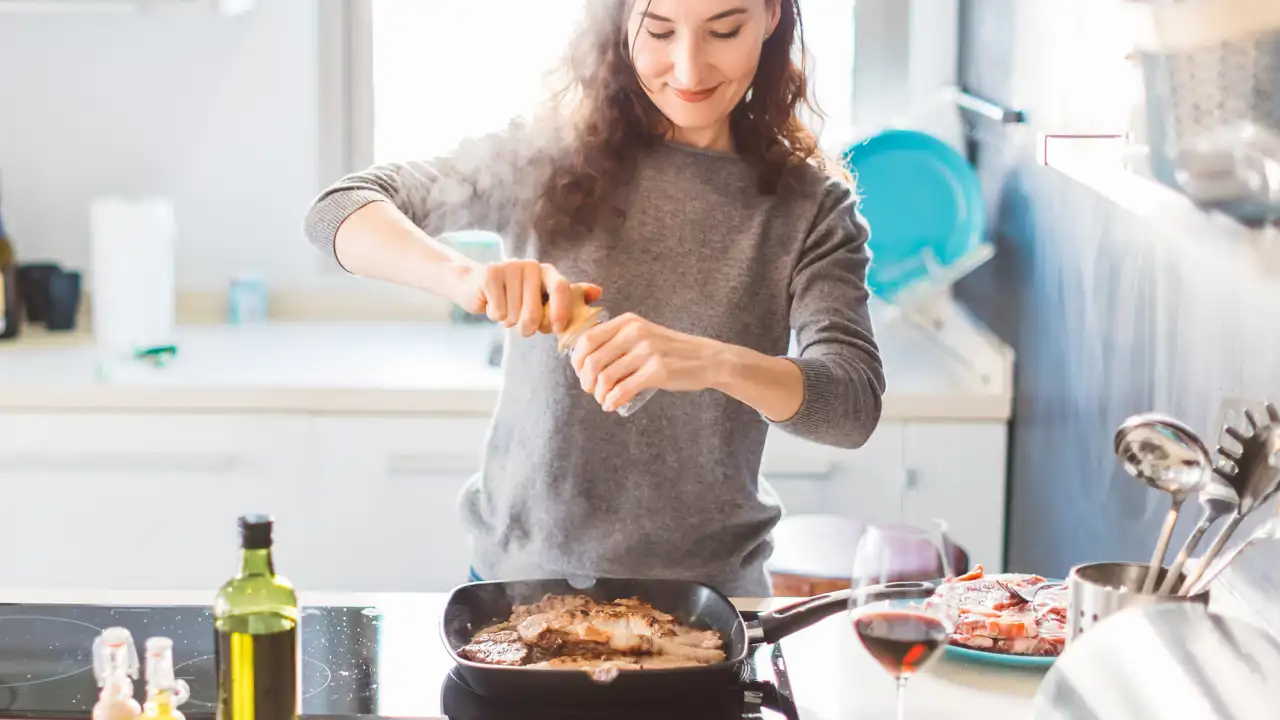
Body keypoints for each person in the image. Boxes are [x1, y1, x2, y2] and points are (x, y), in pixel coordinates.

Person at [303, 0, 885, 597]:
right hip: (519, 585)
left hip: (711, 600)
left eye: (724, 30)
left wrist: (713, 361)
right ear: (619, 23)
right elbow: (337, 211)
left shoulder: (809, 208)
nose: (688, 69)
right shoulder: (546, 160)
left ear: (769, 18)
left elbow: (852, 407)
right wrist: (471, 281)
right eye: (659, 31)